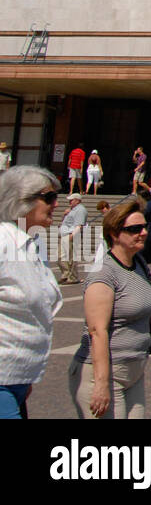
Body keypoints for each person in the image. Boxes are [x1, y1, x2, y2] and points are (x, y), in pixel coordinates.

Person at [69, 197, 151, 418]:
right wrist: (101, 384)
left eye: (144, 227)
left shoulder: (138, 264)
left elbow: (146, 311)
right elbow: (97, 331)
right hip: (104, 373)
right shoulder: (103, 273)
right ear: (115, 234)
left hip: (134, 371)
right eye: (135, 229)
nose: (143, 233)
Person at [0, 166, 64, 418]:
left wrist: (24, 379)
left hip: (19, 376)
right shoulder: (3, 243)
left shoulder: (32, 243)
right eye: (48, 197)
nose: (56, 204)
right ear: (20, 200)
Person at [58, 192, 88, 284]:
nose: (69, 202)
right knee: (61, 257)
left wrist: (72, 235)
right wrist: (65, 214)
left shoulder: (80, 210)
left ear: (77, 201)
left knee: (70, 257)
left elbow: (79, 225)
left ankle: (72, 277)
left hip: (71, 235)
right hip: (65, 235)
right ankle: (66, 275)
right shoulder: (72, 210)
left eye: (71, 200)